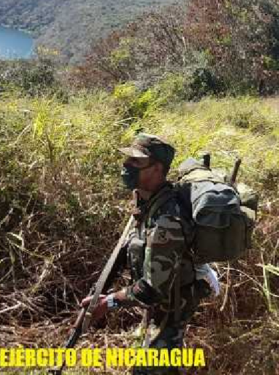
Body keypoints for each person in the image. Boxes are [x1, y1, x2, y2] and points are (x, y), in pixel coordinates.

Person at [79, 133, 216, 374]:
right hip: (159, 308)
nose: (126, 167)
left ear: (157, 169)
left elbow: (153, 289)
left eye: (136, 162)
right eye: (127, 160)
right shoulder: (147, 202)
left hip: (170, 308)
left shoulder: (166, 220)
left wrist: (107, 302)